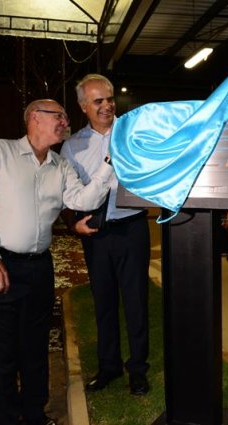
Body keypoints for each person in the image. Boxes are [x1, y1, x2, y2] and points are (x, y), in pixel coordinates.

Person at [0, 99, 113, 425]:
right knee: (1, 352)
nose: (65, 121)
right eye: (58, 115)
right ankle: (4, 418)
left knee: (35, 348)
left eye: (65, 116)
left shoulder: (61, 166)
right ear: (34, 118)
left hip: (39, 269)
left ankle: (34, 414)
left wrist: (110, 163)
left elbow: (82, 199)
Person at [60, 74, 151, 395]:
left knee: (137, 301)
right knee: (104, 303)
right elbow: (65, 193)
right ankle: (109, 366)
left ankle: (138, 369)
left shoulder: (133, 134)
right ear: (84, 106)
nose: (107, 106)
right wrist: (72, 224)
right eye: (98, 101)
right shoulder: (72, 147)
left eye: (110, 99)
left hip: (132, 227)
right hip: (96, 233)